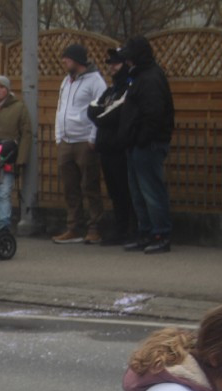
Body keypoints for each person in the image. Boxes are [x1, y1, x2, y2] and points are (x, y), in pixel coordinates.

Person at [119, 36, 175, 254]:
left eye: (128, 57)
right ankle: (147, 231)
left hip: (148, 145)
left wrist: (141, 139)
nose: (126, 61)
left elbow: (154, 114)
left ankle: (160, 233)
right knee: (139, 192)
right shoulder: (141, 76)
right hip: (138, 144)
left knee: (151, 191)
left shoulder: (149, 78)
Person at [52, 44, 107, 245]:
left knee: (90, 185)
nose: (64, 61)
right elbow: (60, 108)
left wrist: (93, 137)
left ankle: (95, 228)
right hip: (66, 140)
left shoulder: (96, 82)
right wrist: (59, 136)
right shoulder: (66, 82)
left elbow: (101, 110)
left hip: (85, 140)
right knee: (70, 187)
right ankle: (73, 227)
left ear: (77, 60)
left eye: (67, 58)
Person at [88, 48, 136, 247]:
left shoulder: (128, 88)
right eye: (110, 64)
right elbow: (92, 109)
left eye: (116, 64)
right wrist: (101, 113)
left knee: (126, 191)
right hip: (106, 147)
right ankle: (120, 229)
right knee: (115, 192)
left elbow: (108, 115)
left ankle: (130, 230)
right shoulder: (111, 90)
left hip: (120, 148)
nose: (112, 68)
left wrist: (101, 114)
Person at [0, 75, 33, 234]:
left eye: (2, 87)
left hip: (8, 158)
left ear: (8, 89)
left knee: (4, 193)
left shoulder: (19, 107)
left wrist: (21, 159)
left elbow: (26, 134)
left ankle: (3, 225)